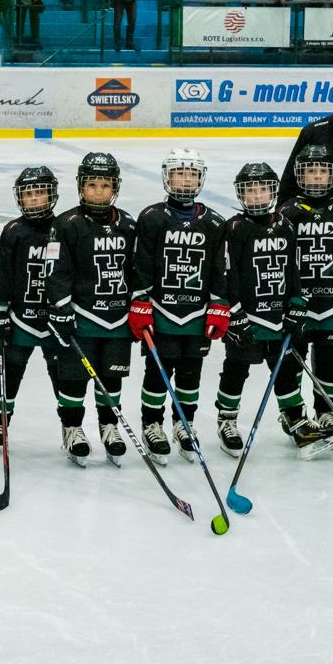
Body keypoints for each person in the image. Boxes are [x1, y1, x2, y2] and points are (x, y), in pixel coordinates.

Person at [127, 151, 231, 464]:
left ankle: (184, 424)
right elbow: (141, 263)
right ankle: (152, 424)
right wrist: (141, 301)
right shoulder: (152, 217)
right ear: (166, 177)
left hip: (197, 314)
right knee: (158, 371)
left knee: (191, 372)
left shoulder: (214, 222)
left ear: (201, 178)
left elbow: (218, 267)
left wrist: (219, 304)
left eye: (191, 174)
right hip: (161, 312)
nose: (185, 180)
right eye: (178, 173)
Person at [211, 162, 312, 456]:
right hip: (246, 317)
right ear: (241, 195)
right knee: (236, 368)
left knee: (285, 368)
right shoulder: (234, 229)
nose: (256, 196)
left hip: (278, 317)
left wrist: (296, 305)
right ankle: (226, 419)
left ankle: (295, 419)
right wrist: (236, 313)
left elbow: (294, 271)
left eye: (262, 190)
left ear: (273, 191)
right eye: (250, 191)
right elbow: (228, 275)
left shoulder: (286, 225)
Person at [47, 153, 138, 463]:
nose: (98, 191)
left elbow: (137, 270)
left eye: (105, 185)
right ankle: (72, 427)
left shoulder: (128, 224)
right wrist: (61, 307)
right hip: (81, 317)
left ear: (115, 187)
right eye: (92, 185)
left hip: (118, 318)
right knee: (73, 378)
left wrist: (139, 306)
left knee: (112, 377)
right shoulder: (66, 224)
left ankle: (109, 425)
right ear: (80, 187)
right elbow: (56, 270)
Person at [276, 144, 333, 451]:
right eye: (310, 171)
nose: (316, 177)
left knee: (331, 362)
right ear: (299, 175)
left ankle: (326, 411)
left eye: (322, 171)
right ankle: (293, 415)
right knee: (289, 363)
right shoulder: (286, 212)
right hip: (298, 305)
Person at [0, 167, 79, 447]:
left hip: (54, 321)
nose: (35, 199)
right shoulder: (14, 231)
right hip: (21, 319)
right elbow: (2, 275)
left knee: (62, 372)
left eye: (40, 193)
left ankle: (70, 426)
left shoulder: (64, 227)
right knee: (9, 369)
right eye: (28, 194)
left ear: (52, 195)